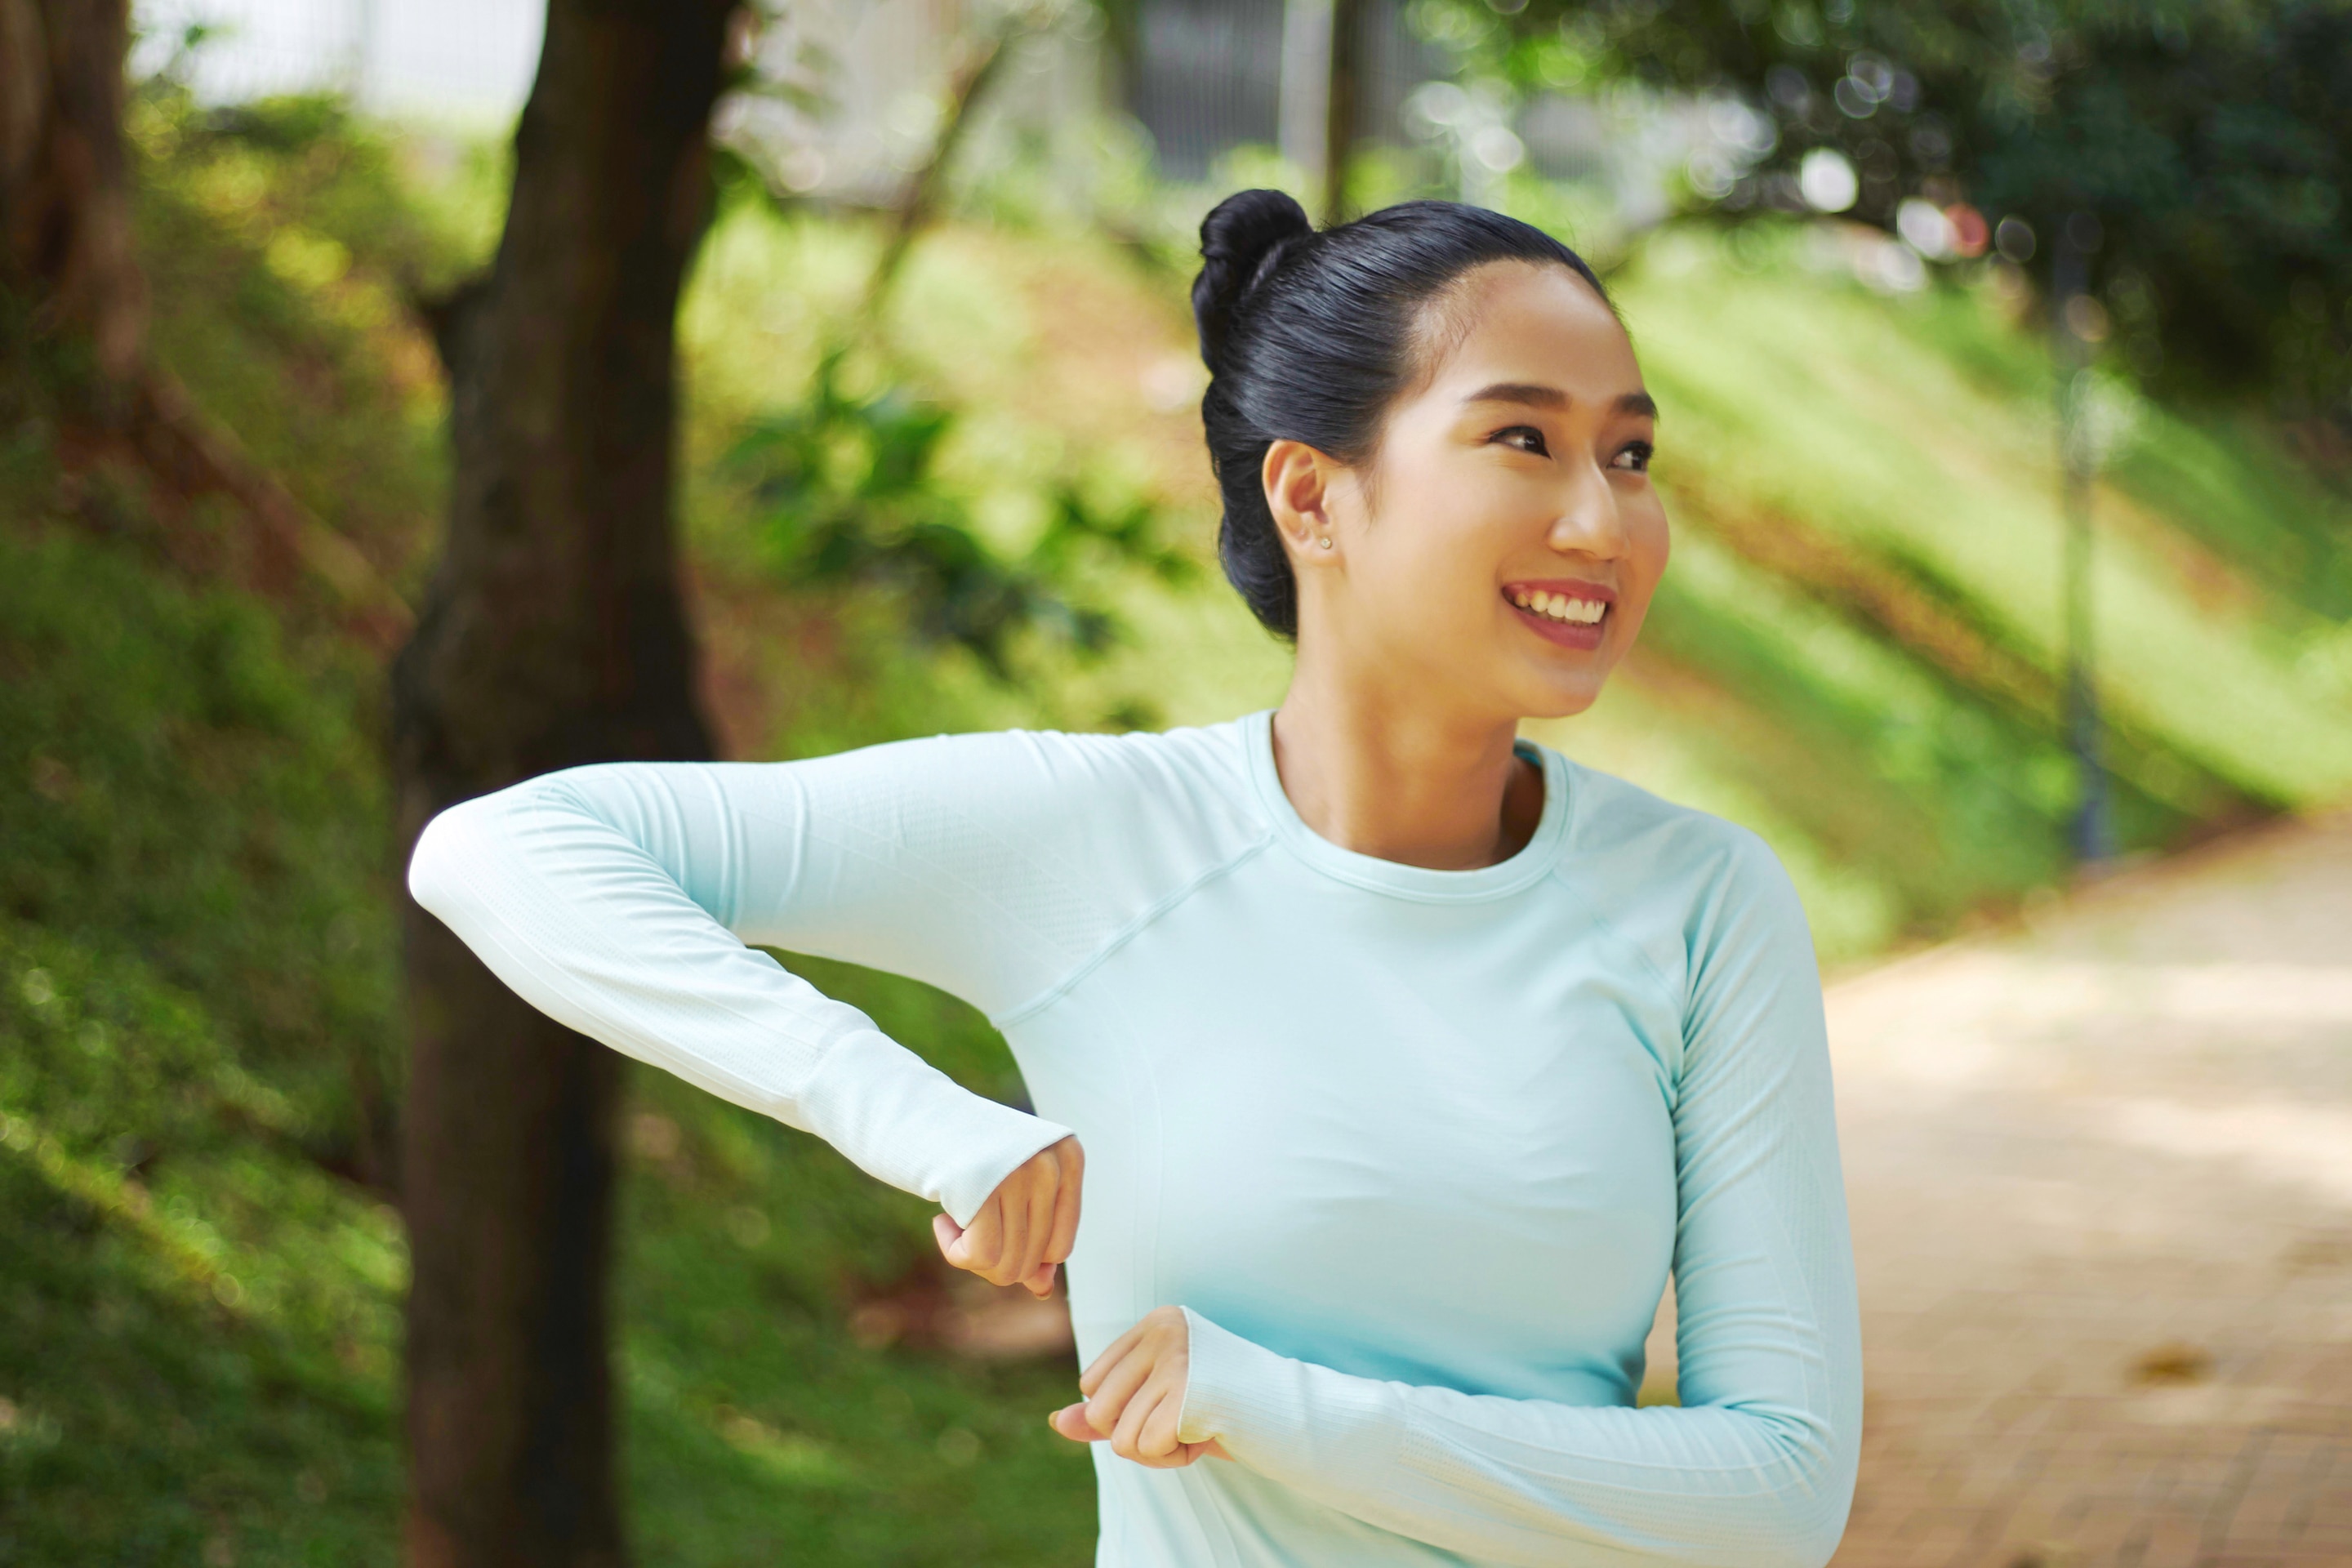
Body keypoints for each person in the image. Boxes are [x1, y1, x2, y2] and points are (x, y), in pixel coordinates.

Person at [408, 189, 1863, 1566]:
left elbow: (1781, 1493)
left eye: (1630, 455)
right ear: (1311, 495)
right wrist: (928, 1125)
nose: (1604, 524)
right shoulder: (1099, 838)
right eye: (1522, 443)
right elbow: (504, 851)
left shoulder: (1702, 905)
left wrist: (1282, 1411)